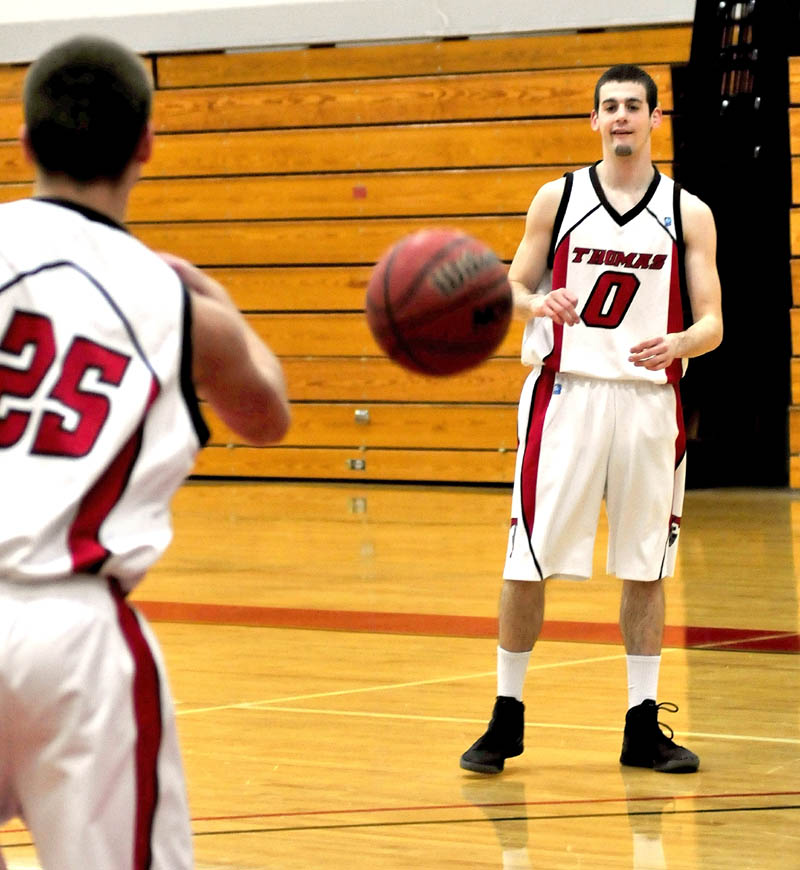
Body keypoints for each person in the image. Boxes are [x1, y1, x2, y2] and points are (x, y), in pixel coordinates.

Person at [0, 35, 290, 869]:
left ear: (23, 143)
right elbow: (267, 415)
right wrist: (226, 313)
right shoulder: (178, 302)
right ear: (147, 146)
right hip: (78, 642)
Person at [460, 64, 722, 776]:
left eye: (634, 107)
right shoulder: (560, 197)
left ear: (655, 119)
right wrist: (535, 305)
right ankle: (505, 717)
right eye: (609, 107)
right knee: (526, 560)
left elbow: (713, 322)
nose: (621, 118)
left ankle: (642, 726)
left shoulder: (687, 211)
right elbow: (507, 289)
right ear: (594, 120)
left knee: (647, 565)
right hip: (566, 395)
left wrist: (682, 342)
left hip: (649, 401)